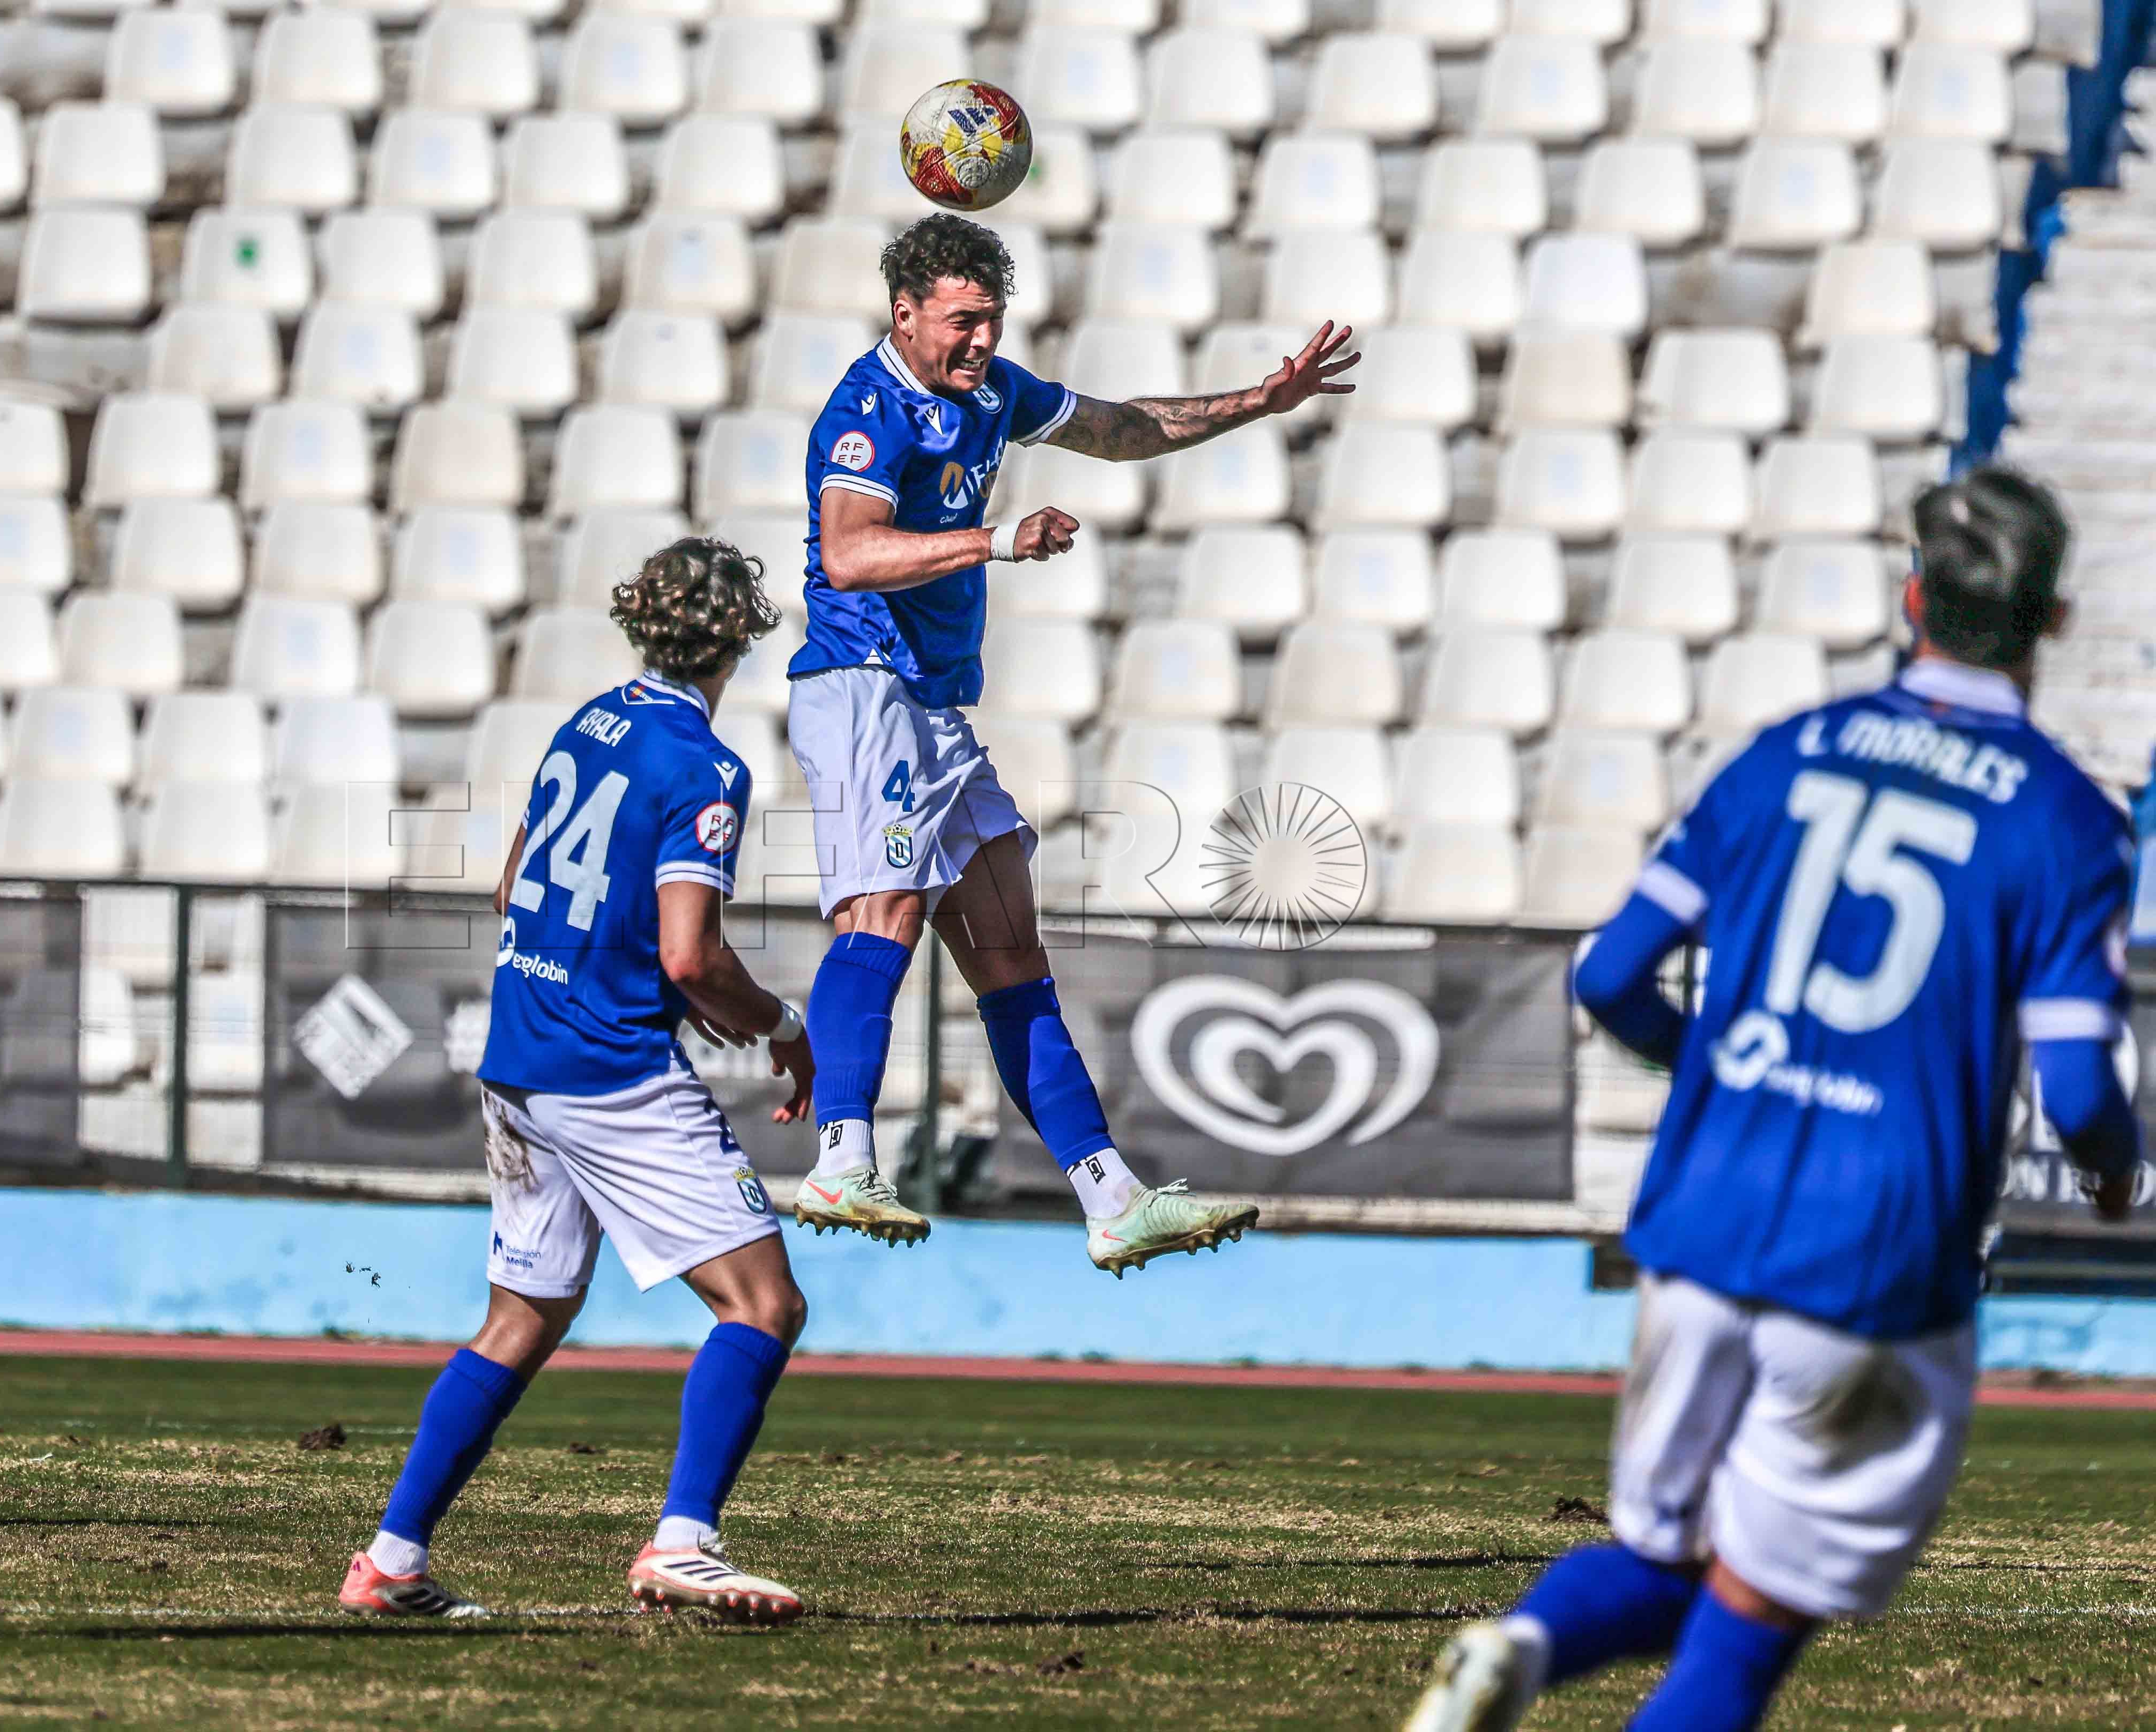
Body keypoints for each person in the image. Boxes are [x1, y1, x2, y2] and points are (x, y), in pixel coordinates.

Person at [1406, 466, 2140, 1732]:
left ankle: (1519, 1643)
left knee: (1670, 1553)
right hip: (1876, 1252)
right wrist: (2111, 1166)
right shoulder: (2069, 818)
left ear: (1911, 596)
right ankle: (1522, 1652)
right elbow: (2076, 1081)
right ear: (2052, 622)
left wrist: (1706, 1070)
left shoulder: (1782, 751)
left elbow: (1608, 970)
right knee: (1756, 1612)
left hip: (1701, 1216)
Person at [783, 212, 1359, 1270]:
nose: (978, 340)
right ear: (903, 315)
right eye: (959, 321)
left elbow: (1124, 428)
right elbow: (850, 553)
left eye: (990, 320)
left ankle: (1109, 1196)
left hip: (934, 710)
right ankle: (840, 1156)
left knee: (1011, 951)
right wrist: (997, 540)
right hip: (863, 691)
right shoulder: (867, 411)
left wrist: (1260, 401)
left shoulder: (993, 393)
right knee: (888, 910)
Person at [340, 538, 818, 1623]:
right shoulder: (703, 766)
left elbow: (518, 879)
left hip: (517, 1057)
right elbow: (691, 957)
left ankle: (391, 1558)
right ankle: (684, 1540)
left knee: (520, 1316)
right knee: (762, 1301)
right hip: (607, 1070)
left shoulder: (587, 721)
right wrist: (784, 1024)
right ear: (738, 639)